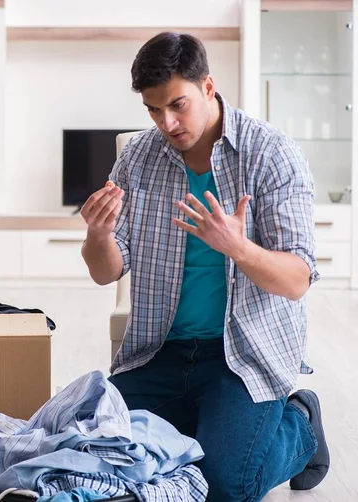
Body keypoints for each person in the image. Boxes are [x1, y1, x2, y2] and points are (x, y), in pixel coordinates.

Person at [81, 32, 329, 501]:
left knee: (225, 485)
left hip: (242, 359)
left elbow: (297, 280)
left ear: (208, 86)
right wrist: (97, 235)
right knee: (99, 460)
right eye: (154, 111)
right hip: (160, 352)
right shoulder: (139, 156)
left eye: (178, 105)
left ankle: (300, 423)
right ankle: (206, 424)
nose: (167, 123)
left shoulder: (272, 154)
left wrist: (239, 248)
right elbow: (105, 271)